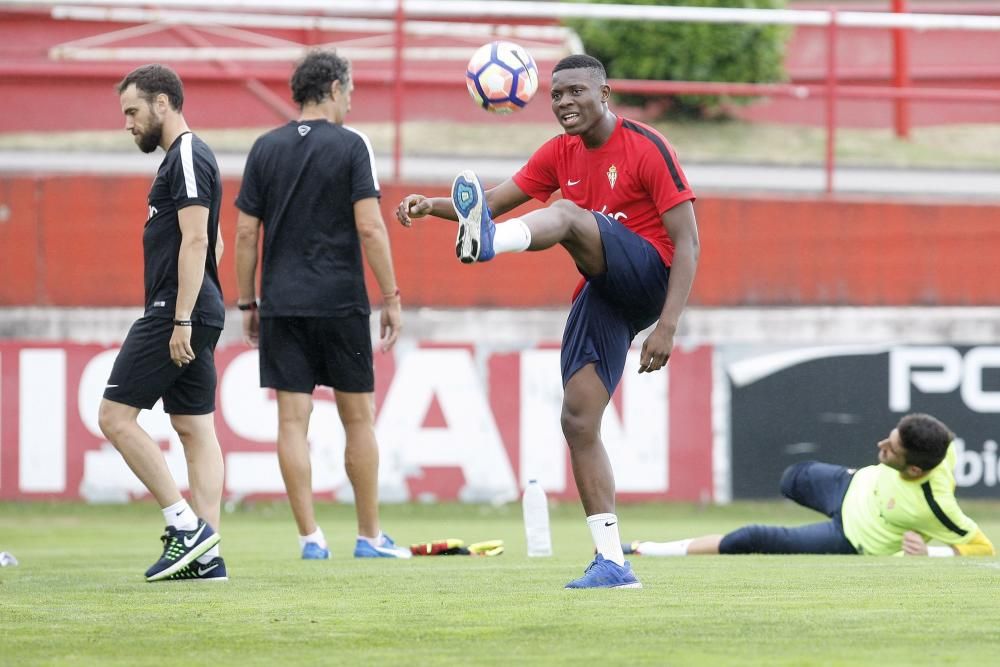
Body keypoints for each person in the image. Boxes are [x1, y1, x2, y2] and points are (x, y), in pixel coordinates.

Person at [396, 54, 700, 588]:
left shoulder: (647, 146)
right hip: (604, 288)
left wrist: (669, 324)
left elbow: (689, 242)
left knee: (565, 216)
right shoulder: (558, 153)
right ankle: (612, 561)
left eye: (576, 91)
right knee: (578, 420)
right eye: (556, 95)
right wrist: (432, 207)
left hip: (650, 274)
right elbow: (488, 202)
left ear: (605, 93)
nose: (564, 103)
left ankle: (489, 248)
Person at [234, 49, 410, 560]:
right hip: (339, 301)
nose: (352, 100)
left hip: (282, 303)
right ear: (333, 88)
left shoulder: (264, 149)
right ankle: (369, 536)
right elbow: (370, 225)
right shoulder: (353, 146)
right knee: (358, 419)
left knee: (292, 421)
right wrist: (392, 297)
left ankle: (310, 538)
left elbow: (246, 232)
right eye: (349, 89)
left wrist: (248, 301)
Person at [98, 63, 228, 582]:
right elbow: (211, 239)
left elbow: (199, 241)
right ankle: (208, 554)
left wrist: (180, 318)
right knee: (195, 428)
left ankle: (184, 526)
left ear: (162, 103)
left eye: (132, 111)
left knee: (114, 417)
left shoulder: (189, 155)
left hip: (178, 311)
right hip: (195, 308)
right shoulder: (179, 161)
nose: (127, 123)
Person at [629, 413, 995, 558]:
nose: (880, 446)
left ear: (914, 470)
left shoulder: (936, 506)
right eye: (889, 437)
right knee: (792, 478)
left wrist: (933, 553)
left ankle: (647, 550)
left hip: (850, 537)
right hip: (849, 484)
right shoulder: (939, 445)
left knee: (753, 537)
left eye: (891, 450)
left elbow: (983, 547)